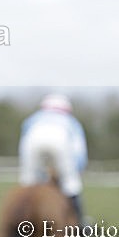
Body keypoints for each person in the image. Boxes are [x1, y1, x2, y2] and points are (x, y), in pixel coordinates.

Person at [18, 94, 88, 225]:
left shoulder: (33, 119)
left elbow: (24, 142)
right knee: (71, 183)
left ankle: (21, 220)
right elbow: (79, 152)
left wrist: (32, 172)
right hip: (60, 141)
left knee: (28, 183)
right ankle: (80, 223)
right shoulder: (71, 122)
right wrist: (75, 171)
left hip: (33, 142)